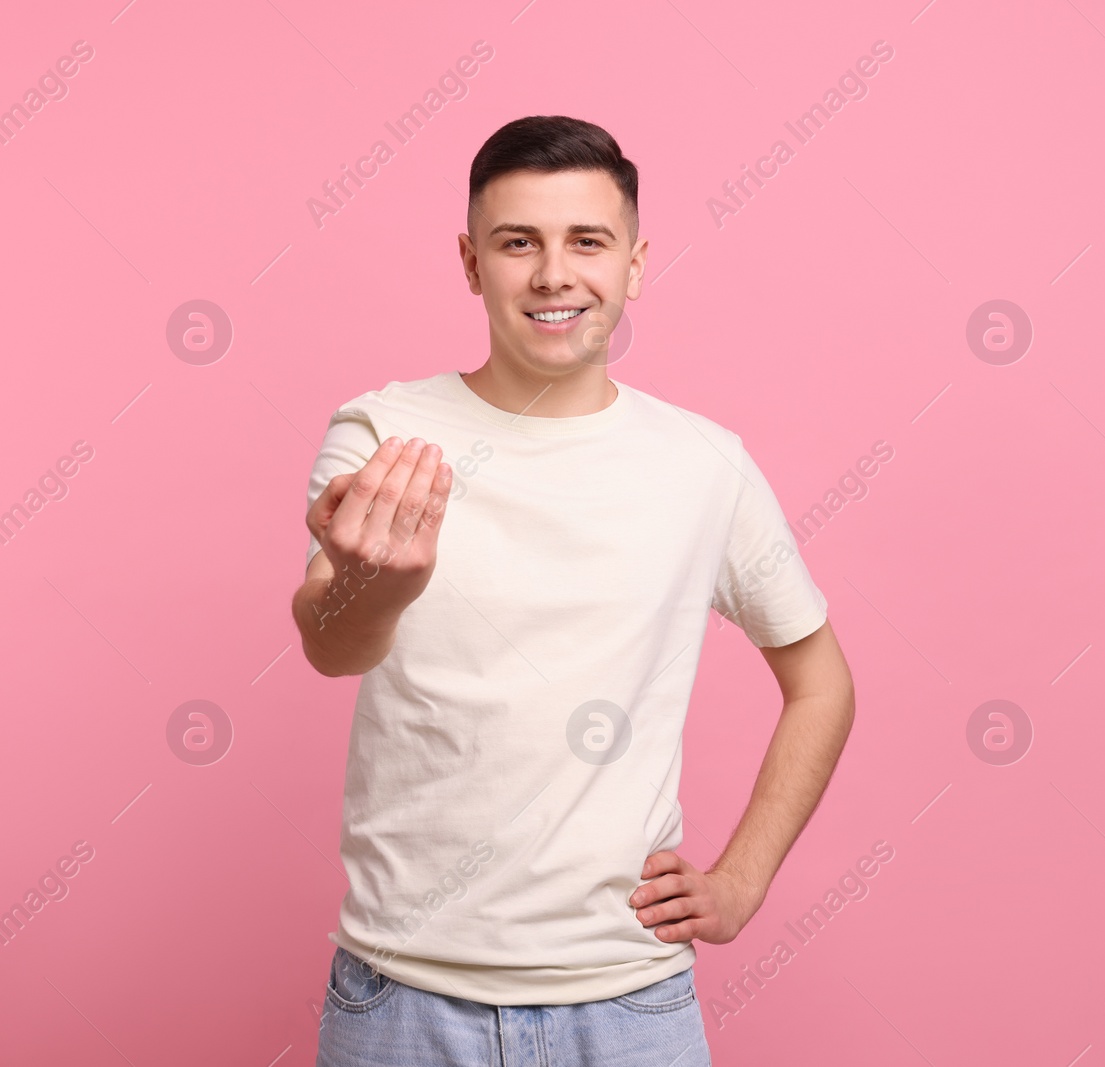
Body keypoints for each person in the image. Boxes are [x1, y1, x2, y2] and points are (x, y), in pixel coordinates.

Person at [291, 115, 855, 1066]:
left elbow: (822, 681)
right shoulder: (382, 434)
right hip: (402, 999)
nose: (555, 274)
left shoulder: (704, 465)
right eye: (520, 243)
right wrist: (376, 584)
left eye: (587, 241)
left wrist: (743, 879)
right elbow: (328, 644)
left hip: (630, 1003)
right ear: (472, 264)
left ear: (634, 264)